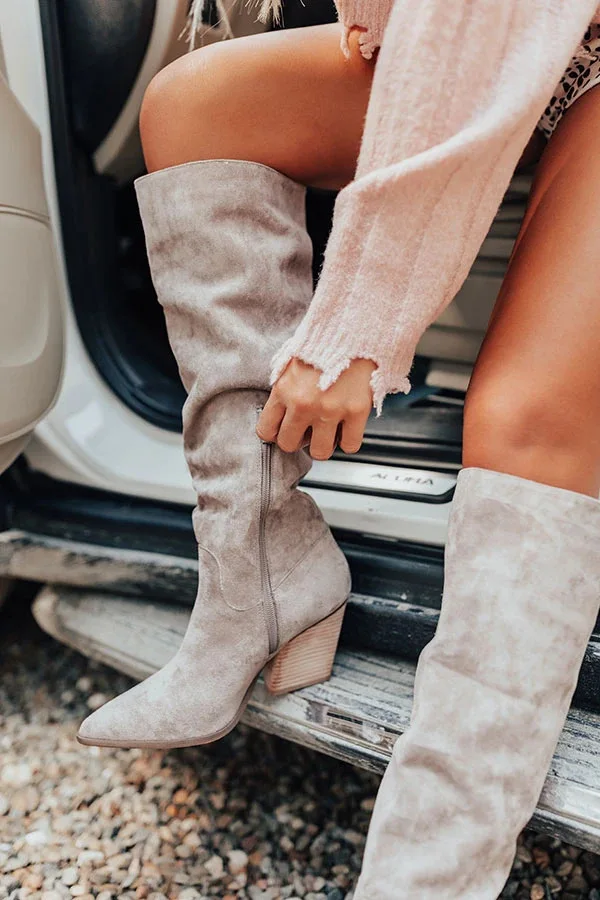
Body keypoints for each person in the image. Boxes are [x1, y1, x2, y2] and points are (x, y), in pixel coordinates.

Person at [78, 1, 600, 896]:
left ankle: (429, 873)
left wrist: (361, 322)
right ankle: (260, 577)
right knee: (195, 106)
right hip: (534, 41)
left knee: (521, 418)